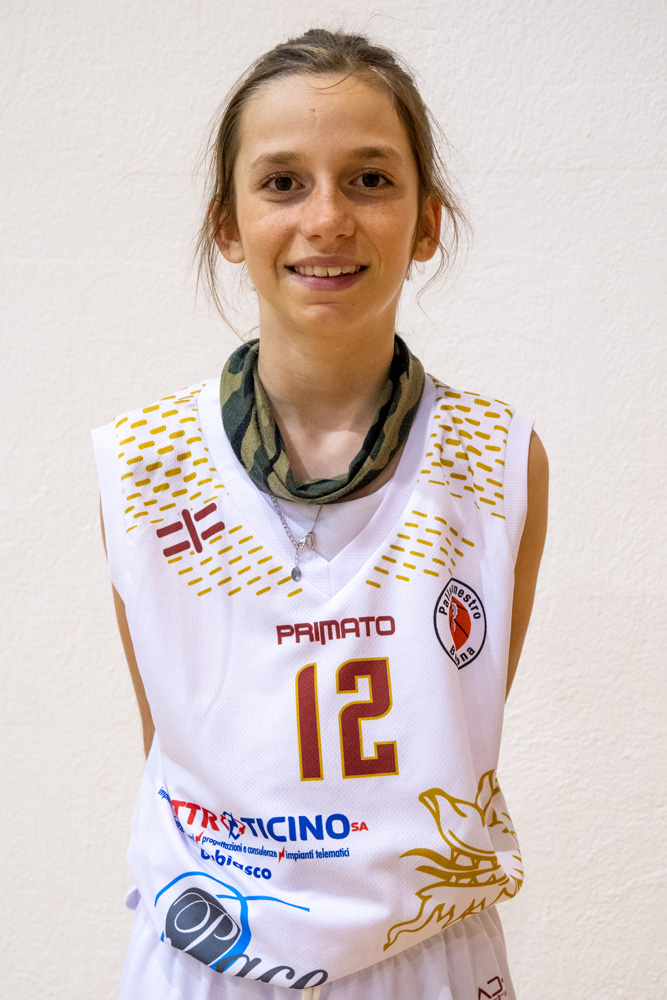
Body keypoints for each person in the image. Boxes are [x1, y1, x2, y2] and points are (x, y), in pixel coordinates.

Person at [93, 27, 548, 1000]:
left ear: (425, 221)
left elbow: (452, 733)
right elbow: (174, 746)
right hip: (213, 953)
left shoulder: (496, 458)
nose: (327, 217)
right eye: (283, 182)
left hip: (428, 956)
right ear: (227, 224)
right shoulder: (142, 463)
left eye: (370, 180)